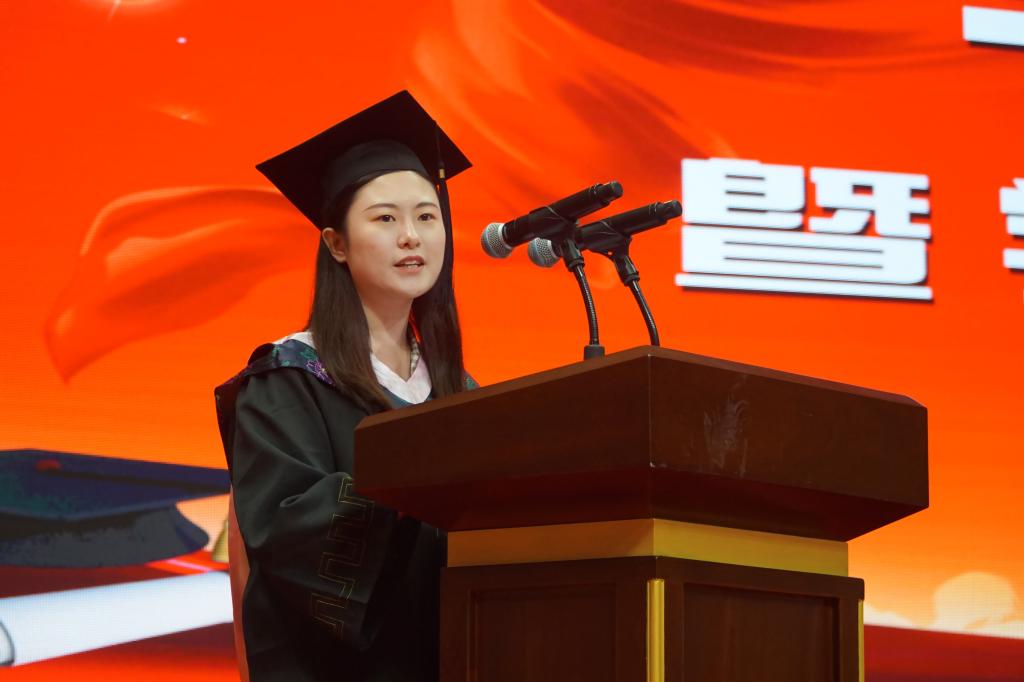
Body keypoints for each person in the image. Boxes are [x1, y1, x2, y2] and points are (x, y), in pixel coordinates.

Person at [213, 91, 475, 682]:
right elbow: (283, 530)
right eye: (385, 218)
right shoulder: (287, 377)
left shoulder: (457, 388)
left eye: (426, 216)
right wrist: (410, 487)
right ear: (336, 244)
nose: (411, 236)